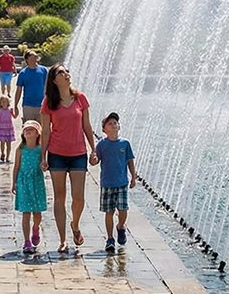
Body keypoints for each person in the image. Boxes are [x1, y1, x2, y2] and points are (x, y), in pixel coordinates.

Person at [39, 63, 97, 252]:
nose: (66, 75)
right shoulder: (48, 102)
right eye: (61, 73)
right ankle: (63, 239)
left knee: (78, 197)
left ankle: (75, 225)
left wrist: (93, 150)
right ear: (54, 80)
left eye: (67, 71)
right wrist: (43, 156)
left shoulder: (80, 98)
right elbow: (45, 131)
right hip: (56, 153)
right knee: (59, 197)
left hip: (78, 153)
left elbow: (87, 126)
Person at [91, 111, 137, 253]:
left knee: (123, 210)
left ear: (119, 126)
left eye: (115, 123)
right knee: (109, 212)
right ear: (104, 130)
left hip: (122, 183)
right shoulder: (101, 145)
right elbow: (95, 160)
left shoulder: (125, 144)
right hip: (107, 183)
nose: (113, 125)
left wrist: (133, 177)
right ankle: (110, 238)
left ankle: (121, 226)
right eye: (110, 124)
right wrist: (92, 160)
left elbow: (130, 161)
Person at [12, 120, 47, 254]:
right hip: (23, 182)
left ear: (37, 133)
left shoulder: (40, 149)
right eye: (26, 129)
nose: (28, 131)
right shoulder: (20, 149)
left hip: (36, 182)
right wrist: (14, 182)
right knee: (26, 213)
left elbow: (45, 164)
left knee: (37, 213)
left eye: (31, 129)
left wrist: (44, 165)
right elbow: (16, 166)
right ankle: (26, 241)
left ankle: (36, 228)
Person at [13, 50, 48, 123]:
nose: (34, 57)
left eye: (35, 56)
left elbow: (48, 86)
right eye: (31, 56)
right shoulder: (23, 73)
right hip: (28, 104)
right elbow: (18, 90)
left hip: (42, 104)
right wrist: (15, 105)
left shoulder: (44, 70)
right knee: (29, 129)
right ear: (27, 59)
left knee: (42, 128)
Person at [0, 94, 18, 163]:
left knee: (9, 143)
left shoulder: (10, 110)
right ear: (0, 103)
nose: (4, 103)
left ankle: (8, 156)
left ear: (8, 103)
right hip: (1, 128)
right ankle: (2, 153)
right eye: (2, 102)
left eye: (5, 101)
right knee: (2, 142)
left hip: (8, 128)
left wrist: (16, 113)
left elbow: (14, 116)